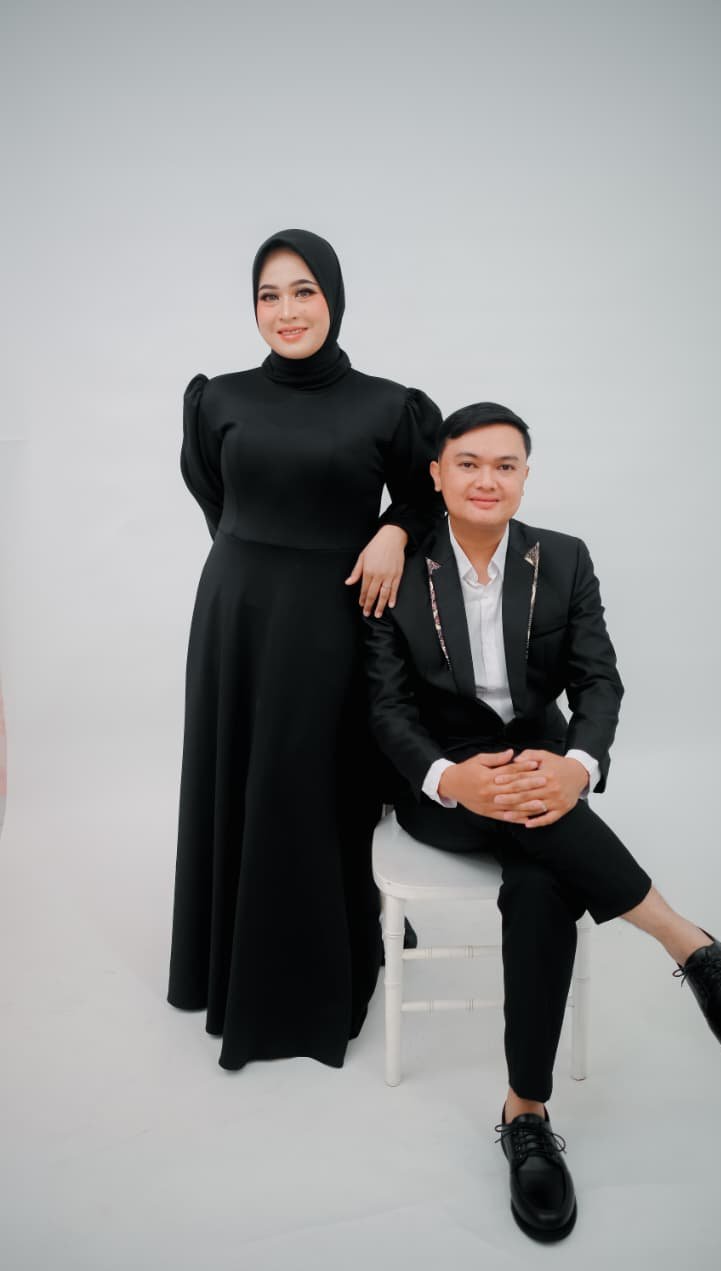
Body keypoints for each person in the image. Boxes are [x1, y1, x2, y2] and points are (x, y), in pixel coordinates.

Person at [362, 402, 721, 1243]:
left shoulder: (564, 557)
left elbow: (598, 681)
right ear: (437, 475)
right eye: (469, 463)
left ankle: (526, 1112)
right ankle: (688, 944)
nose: (487, 480)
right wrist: (450, 780)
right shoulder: (396, 570)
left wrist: (578, 765)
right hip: (442, 778)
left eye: (506, 465)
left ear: (526, 476)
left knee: (539, 885)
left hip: (541, 767)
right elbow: (387, 709)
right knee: (537, 830)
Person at [168, 229, 441, 1071]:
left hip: (335, 622)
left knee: (319, 789)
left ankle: (321, 974)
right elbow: (217, 498)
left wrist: (394, 530)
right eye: (269, 295)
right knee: (240, 779)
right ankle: (233, 967)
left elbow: (429, 495)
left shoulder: (388, 405)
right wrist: (259, 563)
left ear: (333, 298)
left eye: (303, 291)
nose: (285, 311)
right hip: (238, 620)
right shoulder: (218, 398)